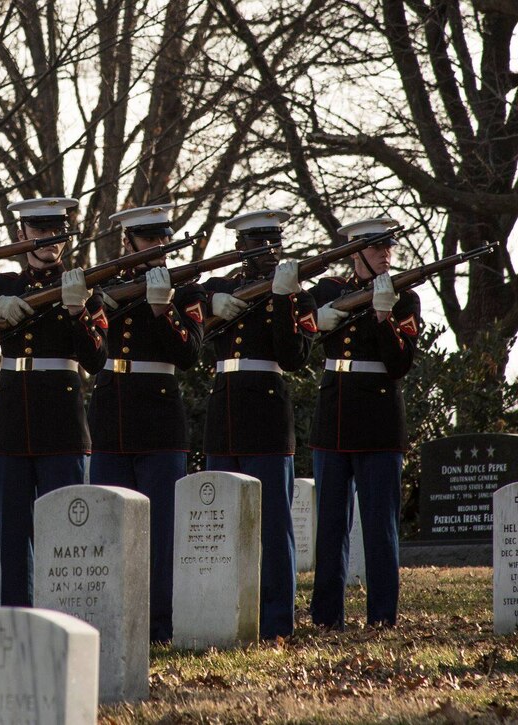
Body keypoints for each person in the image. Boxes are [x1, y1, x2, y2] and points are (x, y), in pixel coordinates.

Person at [87, 204, 206, 643]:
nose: (158, 247)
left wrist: (163, 311)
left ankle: (159, 627)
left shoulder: (184, 291)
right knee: (108, 529)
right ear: (129, 243)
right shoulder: (105, 288)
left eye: (162, 239)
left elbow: (191, 355)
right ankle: (110, 623)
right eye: (149, 239)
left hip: (160, 420)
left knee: (160, 535)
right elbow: (92, 344)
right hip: (111, 417)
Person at [0, 197, 108, 607]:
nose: (47, 240)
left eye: (55, 232)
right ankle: (16, 619)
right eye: (38, 231)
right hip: (11, 420)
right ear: (22, 235)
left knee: (67, 535)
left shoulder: (86, 290)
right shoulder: (3, 287)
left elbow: (96, 359)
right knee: (13, 538)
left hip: (62, 422)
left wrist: (78, 313)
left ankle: (67, 613)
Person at [202, 209, 316, 640]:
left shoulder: (296, 298)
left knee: (274, 525)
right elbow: (186, 307)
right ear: (241, 248)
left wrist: (284, 300)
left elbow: (294, 357)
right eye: (257, 246)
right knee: (219, 525)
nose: (268, 254)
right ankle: (219, 613)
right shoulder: (219, 288)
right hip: (223, 414)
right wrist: (212, 302)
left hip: (267, 416)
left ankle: (275, 623)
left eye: (273, 245)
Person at [309, 217, 420, 629]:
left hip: (379, 424)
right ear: (355, 253)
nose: (386, 255)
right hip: (333, 421)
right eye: (377, 250)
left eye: (389, 249)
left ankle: (382, 617)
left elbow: (400, 363)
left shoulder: (403, 299)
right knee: (331, 528)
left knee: (380, 527)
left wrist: (384, 318)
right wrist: (317, 321)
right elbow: (296, 335)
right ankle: (325, 617)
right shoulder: (328, 293)